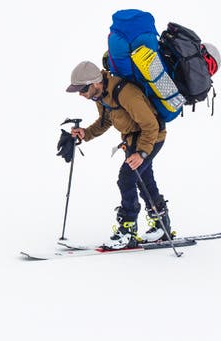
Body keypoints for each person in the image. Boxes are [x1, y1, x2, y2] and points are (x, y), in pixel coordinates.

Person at [64, 59, 174, 248]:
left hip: (152, 137)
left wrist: (142, 153)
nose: (81, 94)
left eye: (82, 89)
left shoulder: (126, 93)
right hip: (133, 140)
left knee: (126, 178)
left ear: (95, 82)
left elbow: (151, 125)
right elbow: (106, 121)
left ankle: (128, 229)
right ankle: (161, 225)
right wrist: (86, 133)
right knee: (143, 179)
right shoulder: (100, 96)